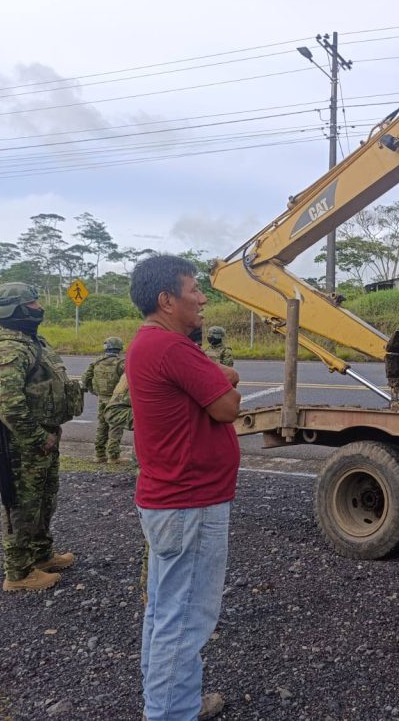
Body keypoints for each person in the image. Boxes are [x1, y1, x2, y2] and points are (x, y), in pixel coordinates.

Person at [127, 255, 241, 721]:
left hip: (171, 501)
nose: (202, 298)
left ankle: (170, 704)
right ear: (166, 300)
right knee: (185, 621)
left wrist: (218, 379)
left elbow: (216, 388)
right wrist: (221, 380)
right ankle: (171, 714)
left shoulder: (152, 344)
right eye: (194, 289)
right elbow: (227, 406)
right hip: (189, 503)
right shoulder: (172, 348)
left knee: (164, 615)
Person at [0, 282, 84, 592]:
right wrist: (38, 438)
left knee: (44, 500)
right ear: (16, 309)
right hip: (24, 444)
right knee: (21, 506)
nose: (40, 307)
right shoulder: (7, 348)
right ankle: (18, 573)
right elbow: (8, 403)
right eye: (33, 303)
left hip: (43, 439)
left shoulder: (30, 342)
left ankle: (40, 555)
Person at [81, 336, 126, 465]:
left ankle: (99, 455)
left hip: (101, 398)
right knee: (116, 426)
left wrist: (94, 391)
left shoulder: (96, 362)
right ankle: (113, 456)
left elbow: (85, 379)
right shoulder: (121, 363)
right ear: (119, 348)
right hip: (116, 399)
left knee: (102, 425)